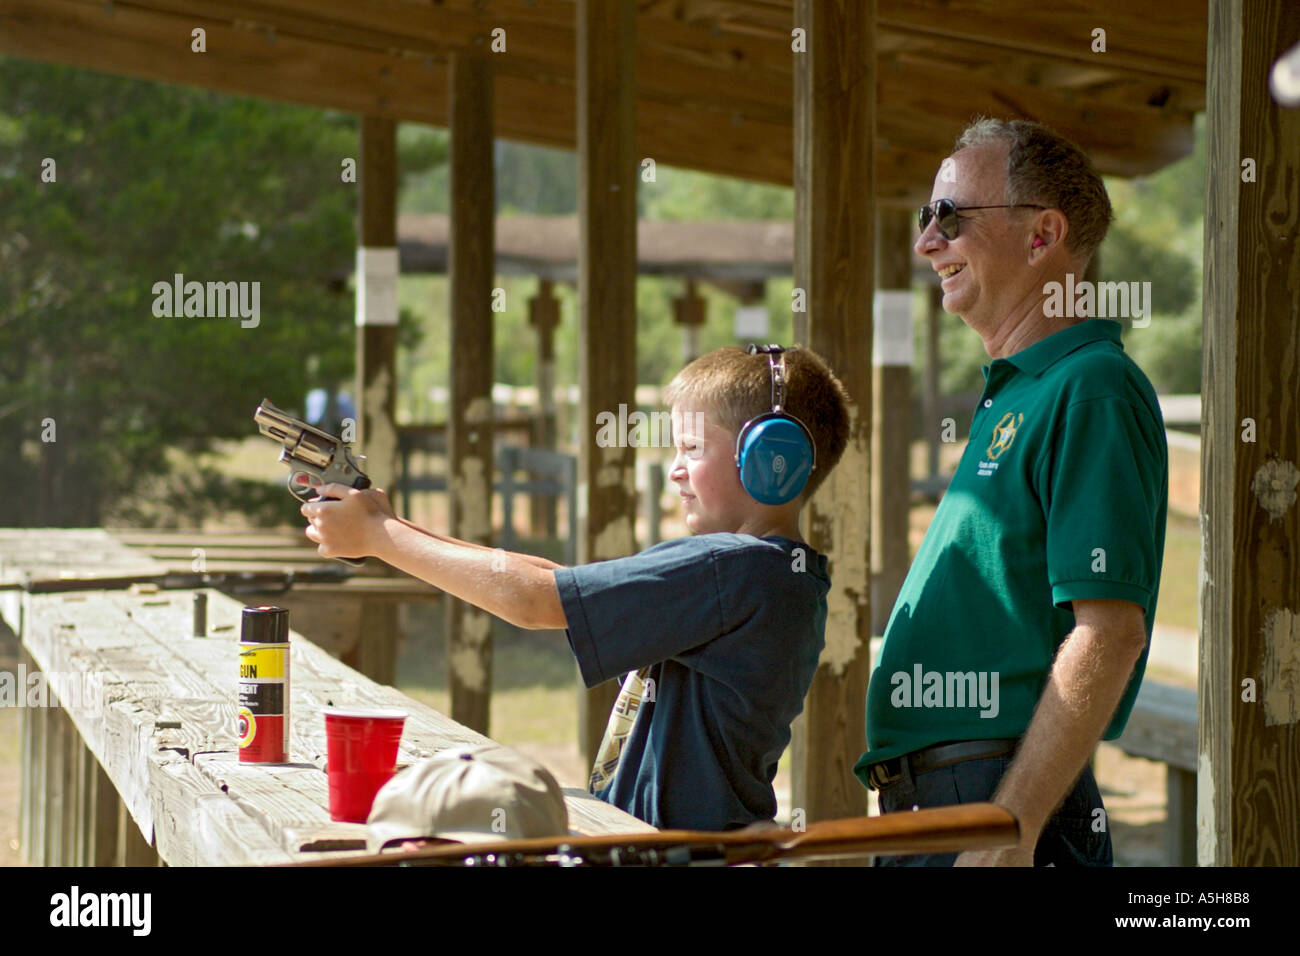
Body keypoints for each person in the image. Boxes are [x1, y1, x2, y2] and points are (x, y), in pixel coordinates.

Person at [302, 345, 852, 831]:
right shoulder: (770, 571)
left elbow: (535, 599)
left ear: (770, 460)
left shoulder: (739, 569)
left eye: (691, 449)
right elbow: (550, 580)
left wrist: (379, 538)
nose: (675, 472)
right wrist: (391, 528)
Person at [855, 118, 1168, 866]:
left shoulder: (1090, 385)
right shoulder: (1023, 391)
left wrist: (1013, 825)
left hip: (995, 800)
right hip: (951, 798)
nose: (927, 242)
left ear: (1042, 237)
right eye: (924, 217)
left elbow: (1110, 632)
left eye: (951, 216)